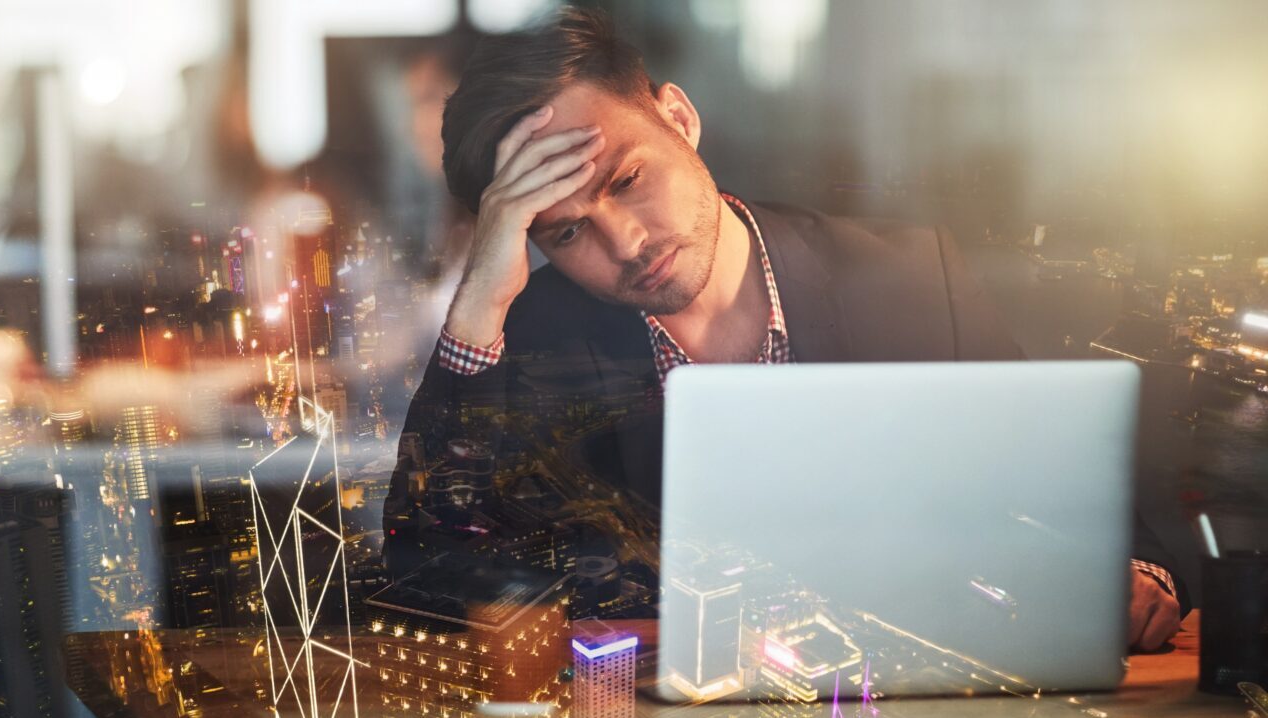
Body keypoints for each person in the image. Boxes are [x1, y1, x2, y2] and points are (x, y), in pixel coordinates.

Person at [386, 7, 1184, 651]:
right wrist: (478, 308)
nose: (624, 243)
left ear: (679, 117)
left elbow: (1086, 499)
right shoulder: (528, 342)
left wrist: (1133, 575)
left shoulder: (909, 281)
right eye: (563, 231)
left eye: (628, 179)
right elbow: (423, 586)